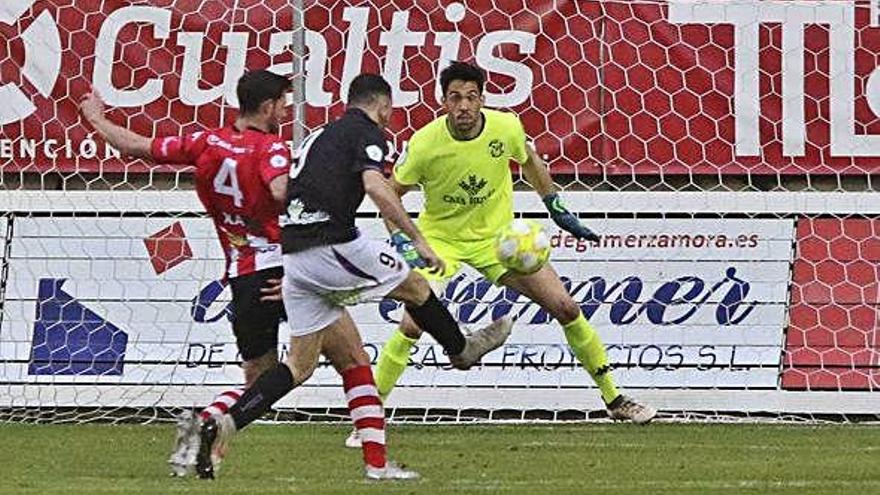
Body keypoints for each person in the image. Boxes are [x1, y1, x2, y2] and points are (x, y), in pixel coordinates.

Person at [195, 73, 513, 481]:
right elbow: (377, 188)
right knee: (416, 286)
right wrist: (418, 240)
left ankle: (227, 423)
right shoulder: (369, 132)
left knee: (299, 365)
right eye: (389, 113)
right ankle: (461, 350)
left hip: (293, 253)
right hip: (331, 242)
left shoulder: (320, 135)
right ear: (384, 107)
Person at [346, 61, 656, 448]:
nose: (464, 106)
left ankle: (614, 398)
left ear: (483, 100)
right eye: (455, 98)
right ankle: (368, 417)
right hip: (441, 241)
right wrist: (406, 243)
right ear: (443, 101)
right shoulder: (425, 143)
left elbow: (530, 162)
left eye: (471, 98)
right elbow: (389, 193)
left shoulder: (506, 127)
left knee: (566, 307)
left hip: (498, 241)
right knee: (412, 324)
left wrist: (556, 207)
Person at [80, 70, 298, 476]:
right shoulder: (271, 148)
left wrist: (96, 119)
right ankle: (375, 456)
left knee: (259, 377)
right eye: (283, 104)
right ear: (268, 108)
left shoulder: (204, 142)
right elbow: (281, 191)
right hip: (279, 272)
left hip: (242, 274)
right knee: (314, 363)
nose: (286, 111)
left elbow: (139, 147)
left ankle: (206, 427)